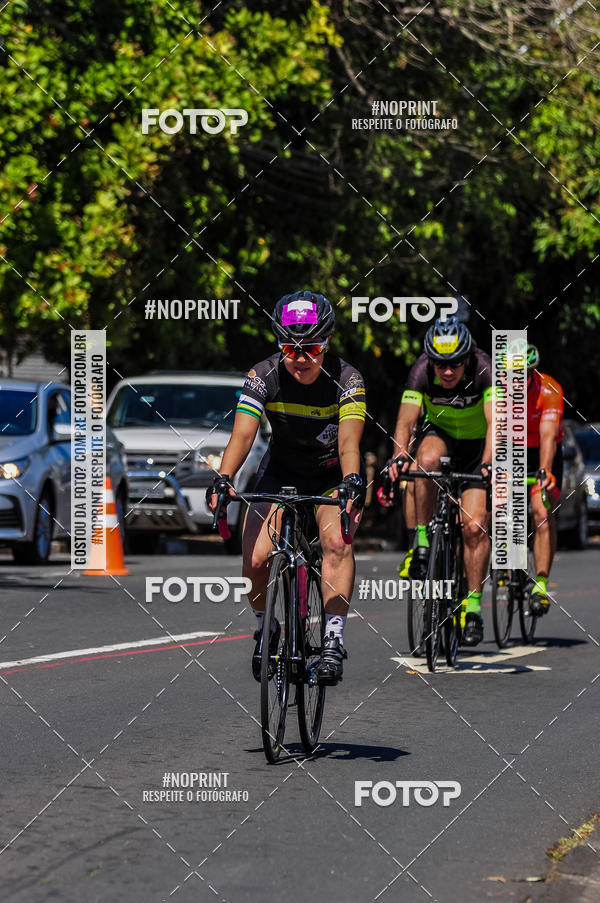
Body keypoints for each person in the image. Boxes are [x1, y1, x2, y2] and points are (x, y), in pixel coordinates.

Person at [207, 291, 366, 684]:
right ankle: (267, 627)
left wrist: (350, 483)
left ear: (326, 342)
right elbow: (243, 435)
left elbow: (348, 442)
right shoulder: (263, 375)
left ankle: (331, 640)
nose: (299, 357)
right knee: (257, 558)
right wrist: (223, 478)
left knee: (336, 545)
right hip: (281, 470)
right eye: (289, 347)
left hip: (330, 472)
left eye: (310, 348)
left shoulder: (348, 379)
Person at [388, 315, 493, 646]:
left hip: (478, 449)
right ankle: (421, 541)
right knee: (426, 461)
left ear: (468, 358)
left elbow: (497, 423)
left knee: (474, 527)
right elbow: (405, 421)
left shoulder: (485, 369)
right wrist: (399, 456)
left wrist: (489, 463)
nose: (447, 372)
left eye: (455, 364)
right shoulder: (421, 371)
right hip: (442, 435)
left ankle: (472, 608)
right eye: (440, 364)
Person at [525, 344, 564, 615]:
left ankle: (540, 584)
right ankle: (504, 561)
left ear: (533, 371)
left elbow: (549, 436)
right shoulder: (498, 390)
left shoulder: (550, 390)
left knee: (541, 509)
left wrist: (545, 471)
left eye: (524, 373)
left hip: (543, 450)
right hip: (513, 448)